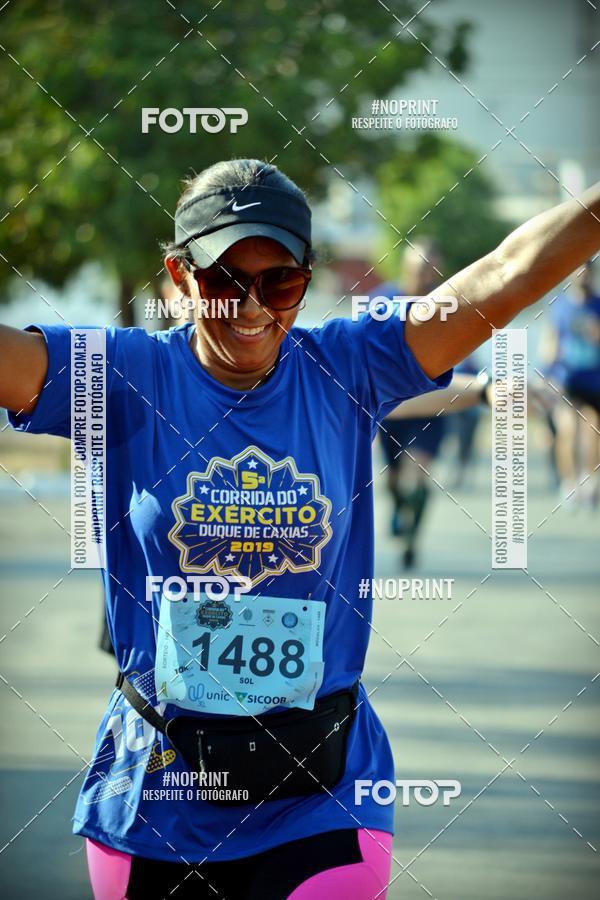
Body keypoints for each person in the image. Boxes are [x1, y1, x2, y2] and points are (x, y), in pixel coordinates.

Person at [1, 159, 599, 900]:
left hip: (321, 789)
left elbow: (504, 274)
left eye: (280, 281)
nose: (252, 307)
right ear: (180, 279)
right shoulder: (119, 376)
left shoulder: (349, 363)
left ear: (308, 279)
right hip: (158, 794)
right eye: (224, 280)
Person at [372, 239, 449, 567]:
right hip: (394, 407)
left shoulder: (447, 304)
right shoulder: (382, 301)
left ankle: (410, 540)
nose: (424, 276)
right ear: (406, 266)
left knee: (417, 472)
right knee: (392, 479)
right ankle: (399, 508)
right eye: (419, 268)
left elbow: (466, 356)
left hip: (431, 406)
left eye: (429, 270)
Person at [539, 260, 600, 505]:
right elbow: (551, 341)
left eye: (587, 272)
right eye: (578, 272)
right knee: (568, 430)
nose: (582, 277)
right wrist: (545, 376)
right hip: (566, 379)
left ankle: (589, 479)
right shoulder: (560, 306)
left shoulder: (598, 305)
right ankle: (569, 483)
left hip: (594, 380)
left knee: (593, 431)